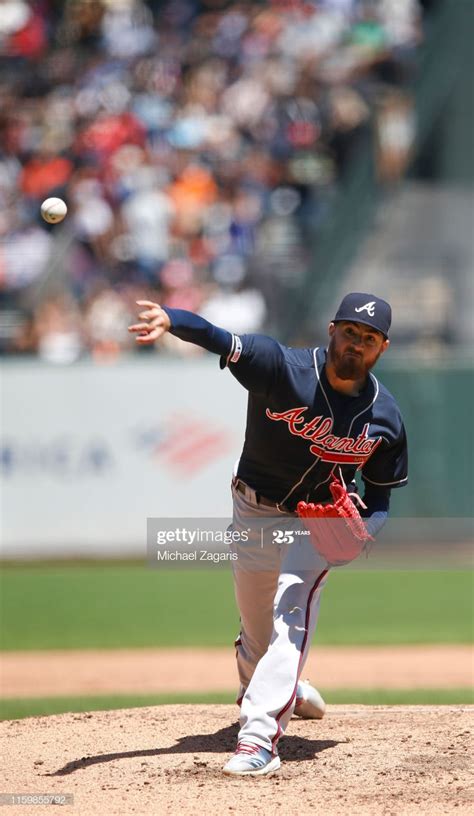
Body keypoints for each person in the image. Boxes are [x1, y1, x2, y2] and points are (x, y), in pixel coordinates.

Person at [128, 292, 408, 776]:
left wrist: (362, 533)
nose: (355, 345)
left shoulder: (384, 417)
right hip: (253, 509)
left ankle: (259, 739)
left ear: (382, 347)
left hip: (313, 524)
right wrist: (170, 319)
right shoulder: (282, 368)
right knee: (258, 633)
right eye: (349, 333)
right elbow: (219, 339)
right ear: (331, 331)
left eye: (368, 338)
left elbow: (380, 499)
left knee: (290, 613)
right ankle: (282, 686)